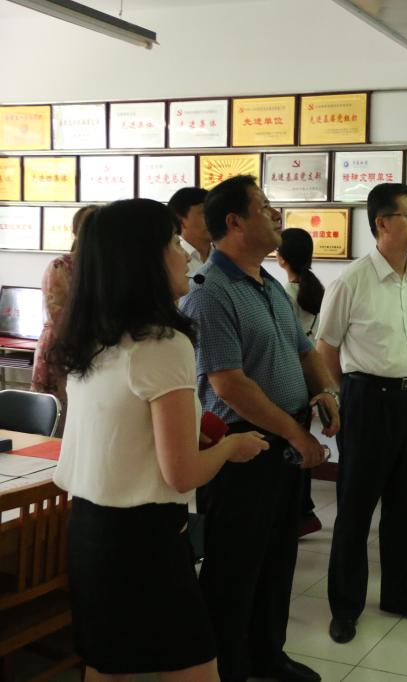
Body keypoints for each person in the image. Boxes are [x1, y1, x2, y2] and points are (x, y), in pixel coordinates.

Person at [50, 199, 268, 680]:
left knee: (108, 667)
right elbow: (182, 473)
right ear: (143, 258)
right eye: (173, 242)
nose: (186, 254)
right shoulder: (162, 344)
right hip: (143, 539)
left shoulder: (92, 336)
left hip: (89, 531)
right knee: (194, 668)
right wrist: (232, 447)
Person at [181, 175, 339, 682]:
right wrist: (296, 436)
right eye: (265, 207)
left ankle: (268, 654)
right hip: (241, 445)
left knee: (277, 556)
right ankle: (226, 667)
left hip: (285, 439)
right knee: (234, 565)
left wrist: (327, 392)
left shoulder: (268, 284)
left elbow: (305, 351)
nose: (276, 216)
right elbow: (229, 384)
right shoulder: (209, 293)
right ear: (234, 222)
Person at [317, 183, 407, 645]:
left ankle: (400, 594)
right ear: (382, 223)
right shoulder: (351, 280)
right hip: (367, 400)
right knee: (355, 508)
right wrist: (340, 396)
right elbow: (325, 347)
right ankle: (345, 606)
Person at [31, 204, 98, 436]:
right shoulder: (61, 266)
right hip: (62, 350)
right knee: (54, 427)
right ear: (77, 232)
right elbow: (60, 316)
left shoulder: (107, 269)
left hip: (96, 352)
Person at [276, 227, 326, 538]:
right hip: (313, 374)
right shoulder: (318, 289)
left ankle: (301, 513)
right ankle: (303, 511)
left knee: (293, 448)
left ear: (281, 258)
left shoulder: (284, 294)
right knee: (302, 442)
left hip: (293, 375)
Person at [168, 186, 212, 277]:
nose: (215, 219)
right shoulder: (171, 259)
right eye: (205, 213)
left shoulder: (226, 256)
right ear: (180, 220)